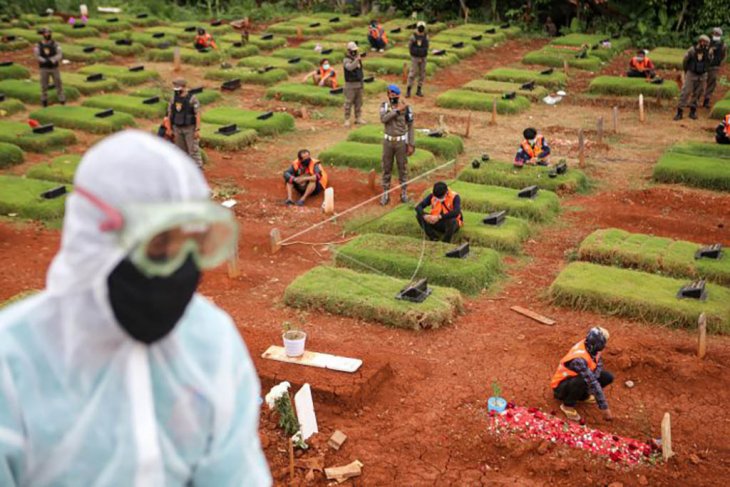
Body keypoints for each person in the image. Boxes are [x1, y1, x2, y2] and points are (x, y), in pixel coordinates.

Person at [0, 130, 272, 486]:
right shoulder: (12, 365)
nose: (179, 271)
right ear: (95, 237)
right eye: (161, 244)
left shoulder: (212, 344)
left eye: (193, 243)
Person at [551, 327, 614, 423]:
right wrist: (604, 408)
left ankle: (583, 396)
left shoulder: (593, 348)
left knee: (607, 377)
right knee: (582, 380)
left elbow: (598, 366)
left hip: (576, 379)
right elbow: (592, 382)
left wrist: (593, 380)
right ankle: (567, 405)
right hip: (561, 387)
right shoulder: (579, 359)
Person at [380, 84, 414, 205]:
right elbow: (383, 119)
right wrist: (397, 111)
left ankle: (404, 192)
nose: (392, 97)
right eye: (390, 94)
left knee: (402, 168)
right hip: (388, 141)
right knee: (386, 167)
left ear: (398, 95)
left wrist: (411, 144)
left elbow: (410, 126)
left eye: (394, 94)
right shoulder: (385, 106)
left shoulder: (407, 108)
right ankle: (385, 193)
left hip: (400, 142)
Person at [675, 35, 712, 121]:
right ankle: (679, 112)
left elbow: (709, 62)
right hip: (691, 73)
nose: (704, 43)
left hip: (702, 74)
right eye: (702, 41)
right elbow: (685, 60)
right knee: (686, 92)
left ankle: (693, 111)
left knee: (699, 92)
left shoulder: (709, 52)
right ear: (699, 41)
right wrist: (686, 70)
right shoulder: (692, 50)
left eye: (706, 42)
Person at [168, 78, 203, 168]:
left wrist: (197, 129)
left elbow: (197, 114)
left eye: (179, 89)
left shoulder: (192, 98)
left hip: (190, 128)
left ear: (184, 87)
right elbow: (170, 114)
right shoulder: (173, 98)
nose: (177, 91)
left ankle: (197, 170)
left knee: (193, 151)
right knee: (180, 151)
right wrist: (169, 128)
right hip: (177, 128)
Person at [33, 27, 65, 108]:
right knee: (44, 84)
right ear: (43, 34)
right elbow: (36, 55)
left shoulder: (56, 44)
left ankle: (62, 99)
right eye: (46, 33)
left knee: (58, 83)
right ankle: (44, 100)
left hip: (54, 67)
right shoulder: (38, 45)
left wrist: (52, 60)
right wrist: (44, 60)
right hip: (44, 68)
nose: (48, 35)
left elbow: (59, 54)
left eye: (49, 33)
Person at [343, 41, 365, 127]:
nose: (355, 52)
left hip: (358, 83)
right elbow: (350, 67)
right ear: (349, 51)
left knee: (359, 102)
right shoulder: (346, 60)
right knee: (348, 102)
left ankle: (358, 117)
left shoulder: (357, 59)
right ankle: (347, 119)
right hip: (350, 85)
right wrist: (357, 60)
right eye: (353, 50)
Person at [704, 27, 726, 108]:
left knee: (711, 83)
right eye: (715, 33)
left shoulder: (722, 45)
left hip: (714, 66)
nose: (716, 35)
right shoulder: (707, 42)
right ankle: (695, 100)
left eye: (717, 34)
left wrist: (719, 63)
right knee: (699, 83)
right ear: (712, 33)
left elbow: (723, 56)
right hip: (704, 66)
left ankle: (706, 100)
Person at [406, 21, 428, 98]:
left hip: (423, 57)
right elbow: (410, 47)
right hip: (415, 57)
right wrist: (414, 55)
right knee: (413, 73)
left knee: (422, 73)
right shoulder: (413, 37)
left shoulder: (426, 37)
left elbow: (426, 47)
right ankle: (408, 89)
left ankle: (419, 89)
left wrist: (422, 56)